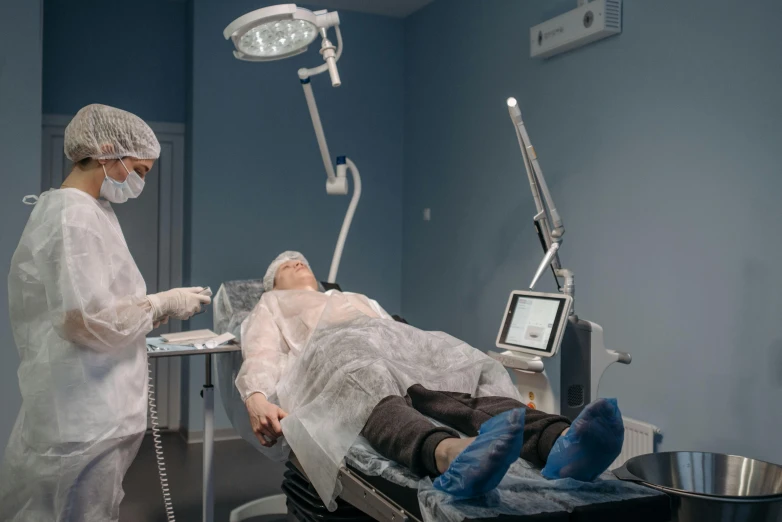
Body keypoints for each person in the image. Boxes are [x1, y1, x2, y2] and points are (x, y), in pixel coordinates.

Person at [238, 251, 624, 507]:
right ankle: (446, 453)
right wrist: (256, 397)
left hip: (393, 341)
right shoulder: (270, 304)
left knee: (459, 375)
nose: (296, 262)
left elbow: (393, 328)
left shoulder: (356, 297)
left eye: (300, 260)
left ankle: (560, 442)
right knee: (368, 383)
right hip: (333, 352)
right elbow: (260, 353)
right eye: (286, 265)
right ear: (273, 285)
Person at [0, 104, 212, 522]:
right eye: (140, 169)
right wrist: (160, 303)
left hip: (95, 409)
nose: (140, 181)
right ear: (107, 150)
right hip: (82, 417)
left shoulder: (92, 211)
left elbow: (97, 307)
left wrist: (152, 312)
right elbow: (83, 320)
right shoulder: (72, 214)